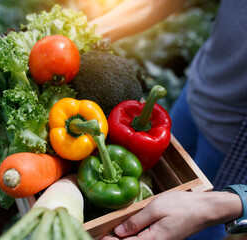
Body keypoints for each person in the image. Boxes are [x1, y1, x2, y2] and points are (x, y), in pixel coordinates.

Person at [88, 0, 247, 239]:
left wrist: (222, 205)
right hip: (195, 95)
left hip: (237, 150)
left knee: (200, 230)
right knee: (159, 176)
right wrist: (88, 31)